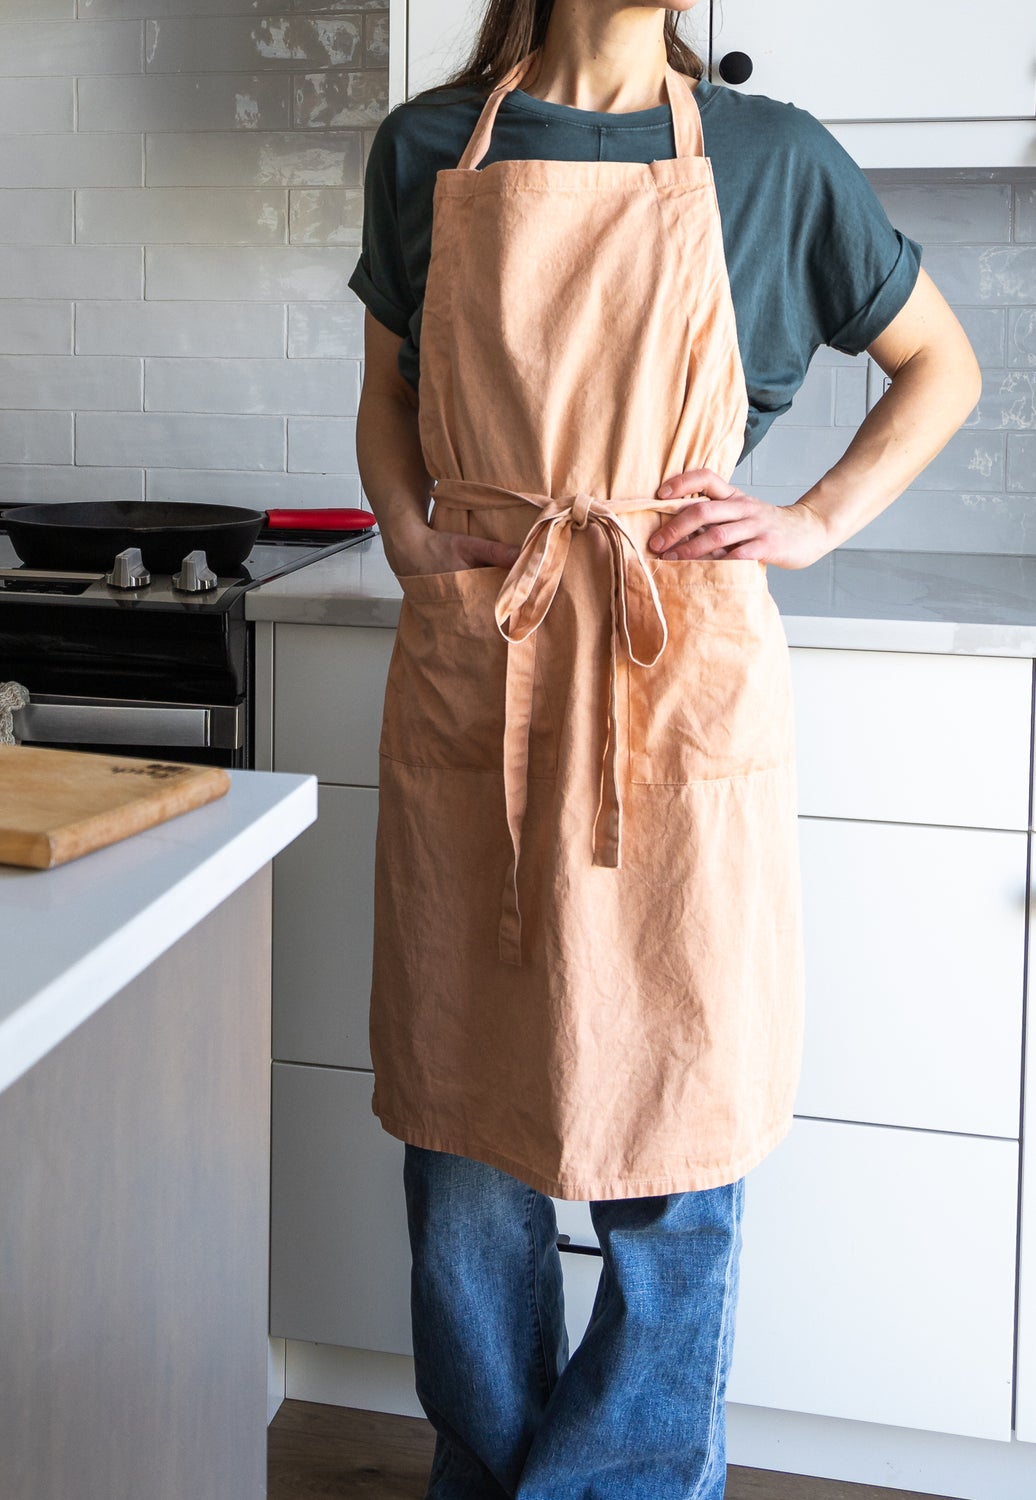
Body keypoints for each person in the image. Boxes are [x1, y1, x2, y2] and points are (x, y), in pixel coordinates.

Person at [350, 2, 980, 1496]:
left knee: (679, 1128)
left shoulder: (776, 158)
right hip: (484, 649)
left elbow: (936, 365)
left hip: (673, 664)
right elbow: (383, 393)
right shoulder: (428, 146)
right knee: (464, 1138)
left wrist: (813, 520)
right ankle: (493, 1473)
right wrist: (406, 533)